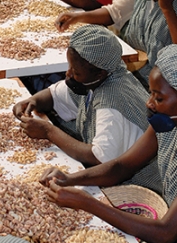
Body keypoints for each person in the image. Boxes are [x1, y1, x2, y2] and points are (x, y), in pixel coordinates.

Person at [39, 44, 177, 243]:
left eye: (159, 97)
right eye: (151, 93)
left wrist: (88, 203)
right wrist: (69, 179)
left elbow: (166, 232)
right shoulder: (164, 122)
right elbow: (121, 166)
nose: (149, 102)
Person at [13, 24, 150, 168]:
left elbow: (98, 158)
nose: (68, 74)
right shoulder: (98, 77)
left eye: (76, 72)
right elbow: (54, 96)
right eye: (69, 67)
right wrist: (32, 101)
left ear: (100, 73)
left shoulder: (111, 104)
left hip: (132, 182)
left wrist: (49, 131)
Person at [55, 0, 177, 89]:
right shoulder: (144, 3)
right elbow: (116, 12)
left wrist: (167, 9)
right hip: (126, 75)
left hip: (156, 88)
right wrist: (77, 17)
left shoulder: (169, 8)